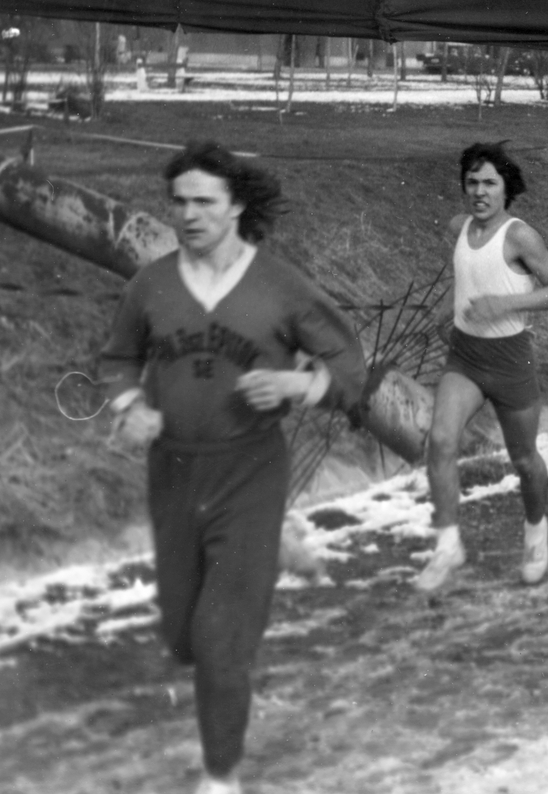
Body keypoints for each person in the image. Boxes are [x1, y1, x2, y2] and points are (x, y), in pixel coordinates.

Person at [99, 141, 367, 794]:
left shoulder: (279, 286)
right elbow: (117, 359)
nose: (189, 215)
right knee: (183, 640)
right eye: (180, 202)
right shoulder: (152, 285)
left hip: (248, 473)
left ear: (235, 206)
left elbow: (350, 366)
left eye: (204, 202)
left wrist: (296, 387)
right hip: (174, 472)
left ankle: (222, 780)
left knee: (220, 647)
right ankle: (269, 550)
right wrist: (131, 405)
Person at [415, 143, 548, 593]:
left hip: (511, 360)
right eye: (472, 183)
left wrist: (506, 303)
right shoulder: (458, 227)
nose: (479, 192)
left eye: (489, 183)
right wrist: (448, 311)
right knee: (441, 441)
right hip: (465, 356)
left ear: (507, 189)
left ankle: (536, 531)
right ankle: (447, 545)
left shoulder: (520, 236)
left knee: (524, 460)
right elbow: (469, 278)